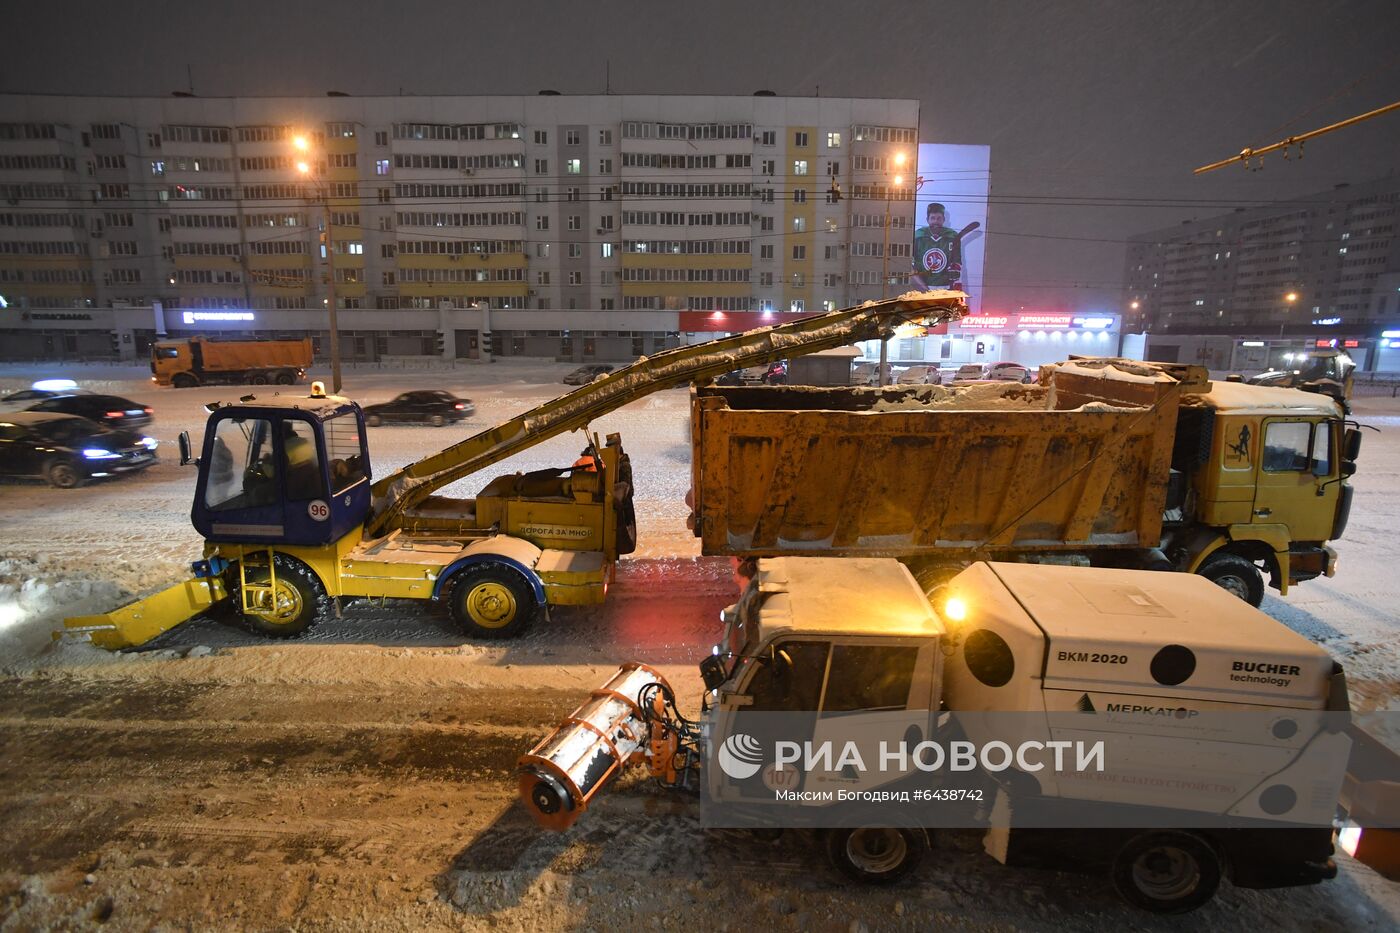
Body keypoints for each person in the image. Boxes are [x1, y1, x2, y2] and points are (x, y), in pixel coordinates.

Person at [910, 202, 963, 290]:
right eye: (933, 218)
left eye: (939, 218)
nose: (936, 221)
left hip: (945, 288)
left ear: (943, 219)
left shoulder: (952, 236)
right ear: (927, 219)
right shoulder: (918, 236)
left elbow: (957, 262)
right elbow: (910, 264)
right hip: (922, 288)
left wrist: (955, 268)